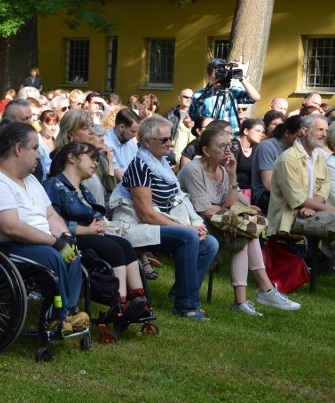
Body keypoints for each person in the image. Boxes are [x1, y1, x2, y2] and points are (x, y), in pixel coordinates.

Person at [0, 122, 87, 333]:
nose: (39, 156)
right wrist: (55, 242)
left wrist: (65, 236)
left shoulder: (31, 181)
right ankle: (55, 317)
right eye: (35, 148)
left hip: (25, 243)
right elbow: (10, 228)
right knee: (53, 256)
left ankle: (68, 313)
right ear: (18, 149)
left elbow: (50, 214)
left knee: (72, 254)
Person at [177, 127, 300, 315]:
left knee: (244, 232)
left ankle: (252, 297)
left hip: (216, 220)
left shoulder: (223, 169)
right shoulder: (193, 169)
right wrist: (225, 208)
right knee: (242, 234)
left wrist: (232, 175)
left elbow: (234, 202)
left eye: (229, 145)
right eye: (222, 146)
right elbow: (204, 209)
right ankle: (260, 292)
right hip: (192, 222)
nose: (228, 150)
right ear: (206, 151)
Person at [109, 115, 218, 320]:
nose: (171, 143)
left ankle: (179, 293)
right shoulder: (140, 165)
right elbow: (146, 213)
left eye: (170, 138)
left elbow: (176, 201)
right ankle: (186, 306)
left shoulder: (162, 163)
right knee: (188, 238)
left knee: (210, 243)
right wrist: (186, 229)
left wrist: (195, 225)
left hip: (152, 222)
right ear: (146, 142)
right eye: (164, 140)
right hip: (132, 225)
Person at [44, 142, 151, 322]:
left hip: (90, 235)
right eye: (92, 157)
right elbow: (52, 220)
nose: (96, 162)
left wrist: (100, 223)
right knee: (113, 248)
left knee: (124, 245)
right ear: (71, 158)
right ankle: (119, 305)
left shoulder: (83, 190)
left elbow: (95, 213)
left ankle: (140, 300)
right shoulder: (53, 185)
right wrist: (88, 229)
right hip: (69, 239)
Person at [269, 115, 335, 249]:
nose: (324, 135)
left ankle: (325, 263)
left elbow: (324, 186)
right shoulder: (288, 159)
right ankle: (325, 262)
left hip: (310, 211)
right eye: (320, 130)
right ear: (305, 131)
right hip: (289, 217)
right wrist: (330, 209)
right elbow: (297, 198)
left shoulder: (318, 156)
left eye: (326, 131)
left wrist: (312, 206)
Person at [189, 58, 261, 135]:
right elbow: (193, 117)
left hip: (231, 138)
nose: (220, 77)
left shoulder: (232, 92)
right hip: (210, 139)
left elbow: (255, 97)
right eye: (217, 74)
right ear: (209, 75)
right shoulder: (199, 95)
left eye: (223, 74)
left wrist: (242, 78)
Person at [250, 115, 303, 212]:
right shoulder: (267, 147)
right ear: (287, 133)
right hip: (266, 197)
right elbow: (268, 185)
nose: (302, 142)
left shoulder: (299, 150)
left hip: (291, 192)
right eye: (299, 137)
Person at [230, 118, 264, 201]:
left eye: (262, 132)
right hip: (235, 189)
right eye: (258, 131)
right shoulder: (234, 145)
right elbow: (230, 171)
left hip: (252, 190)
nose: (261, 134)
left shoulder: (256, 147)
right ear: (246, 131)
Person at [103, 108, 140, 180]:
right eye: (133, 131)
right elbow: (119, 176)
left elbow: (137, 165)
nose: (135, 135)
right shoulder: (106, 143)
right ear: (121, 127)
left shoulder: (131, 141)